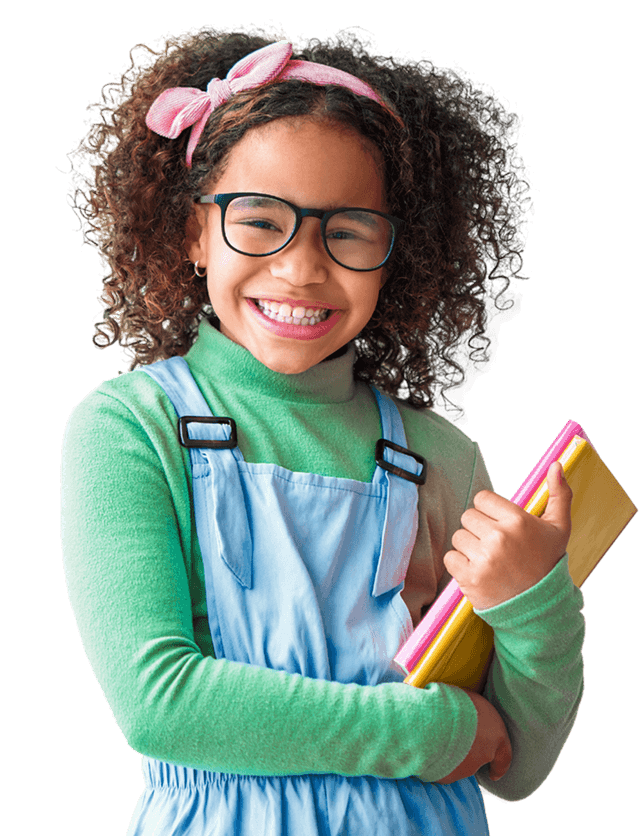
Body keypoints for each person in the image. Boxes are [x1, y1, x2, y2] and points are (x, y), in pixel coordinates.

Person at [60, 26, 585, 836]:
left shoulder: (441, 456)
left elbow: (517, 763)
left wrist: (535, 606)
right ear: (193, 231)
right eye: (260, 221)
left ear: (396, 255)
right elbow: (160, 704)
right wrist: (431, 731)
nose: (303, 269)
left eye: (346, 231)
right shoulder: (131, 427)